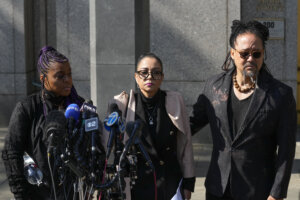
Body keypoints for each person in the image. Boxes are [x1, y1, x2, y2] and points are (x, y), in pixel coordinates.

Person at [190, 20, 297, 200]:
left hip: (258, 190)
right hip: (218, 188)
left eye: (256, 54)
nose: (250, 59)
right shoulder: (214, 87)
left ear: (263, 55)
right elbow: (191, 123)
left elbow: (286, 150)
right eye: (244, 54)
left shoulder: (281, 95)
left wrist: (277, 193)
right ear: (232, 53)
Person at [106, 53, 195, 200]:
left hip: (169, 183)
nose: (150, 77)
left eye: (156, 72)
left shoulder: (175, 100)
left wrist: (188, 183)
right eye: (144, 72)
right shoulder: (123, 104)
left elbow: (186, 145)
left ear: (162, 76)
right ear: (136, 76)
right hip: (138, 184)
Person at [2, 46, 84, 200]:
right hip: (36, 194)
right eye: (60, 76)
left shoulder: (78, 106)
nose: (68, 80)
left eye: (69, 74)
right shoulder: (27, 108)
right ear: (43, 78)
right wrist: (21, 194)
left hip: (72, 193)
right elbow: (11, 153)